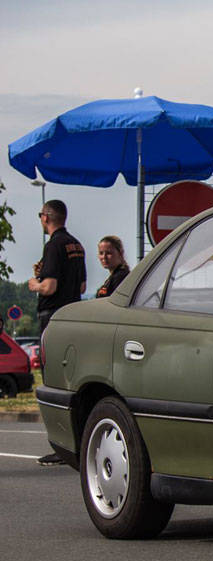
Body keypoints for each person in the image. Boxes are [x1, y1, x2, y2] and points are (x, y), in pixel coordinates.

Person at [28, 199, 86, 466]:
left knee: (53, 382)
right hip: (71, 317)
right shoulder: (76, 245)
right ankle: (75, 443)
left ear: (47, 217)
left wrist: (34, 284)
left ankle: (60, 446)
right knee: (69, 381)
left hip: (52, 318)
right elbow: (82, 284)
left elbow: (49, 287)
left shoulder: (53, 245)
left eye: (41, 216)